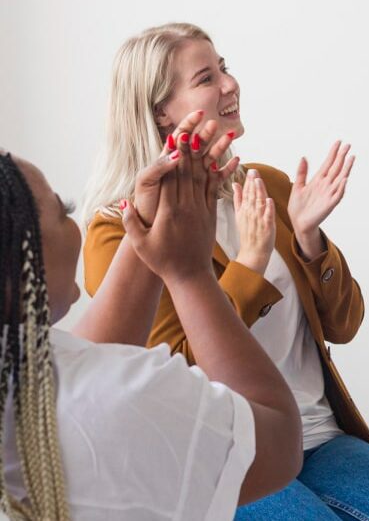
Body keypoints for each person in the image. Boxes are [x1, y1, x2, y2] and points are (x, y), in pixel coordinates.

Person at [81, 23, 369, 520]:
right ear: (160, 111)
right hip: (222, 457)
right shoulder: (120, 233)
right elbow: (173, 377)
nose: (229, 84)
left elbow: (346, 324)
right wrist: (249, 266)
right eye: (205, 77)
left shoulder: (268, 187)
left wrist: (308, 241)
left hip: (318, 437)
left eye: (225, 68)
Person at [0, 140, 301, 520]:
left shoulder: (29, 379)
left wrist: (309, 240)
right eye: (64, 211)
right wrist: (191, 274)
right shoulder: (117, 405)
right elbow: (277, 440)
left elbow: (82, 360)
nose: (228, 87)